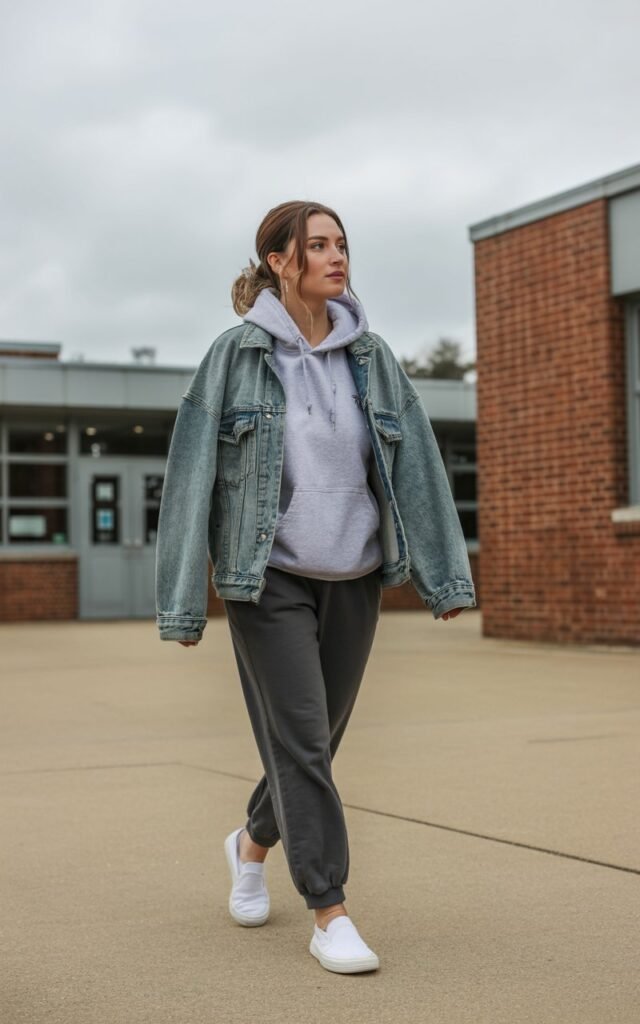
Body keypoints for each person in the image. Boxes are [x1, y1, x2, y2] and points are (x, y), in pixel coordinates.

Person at [155, 200, 476, 974]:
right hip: (267, 579)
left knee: (317, 742)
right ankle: (329, 910)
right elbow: (191, 477)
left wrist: (443, 576)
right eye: (320, 245)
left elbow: (418, 467)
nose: (338, 257)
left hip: (356, 576)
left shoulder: (374, 358)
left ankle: (250, 843)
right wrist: (182, 601)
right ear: (278, 260)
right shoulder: (234, 357)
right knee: (303, 741)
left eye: (343, 245)